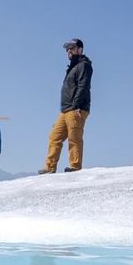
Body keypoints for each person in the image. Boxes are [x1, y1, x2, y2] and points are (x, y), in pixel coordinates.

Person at [38, 38, 93, 174]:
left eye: (72, 48)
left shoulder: (84, 65)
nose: (69, 51)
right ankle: (50, 167)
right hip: (65, 110)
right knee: (54, 136)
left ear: (80, 50)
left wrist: (76, 105)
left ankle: (75, 166)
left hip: (76, 108)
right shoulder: (73, 67)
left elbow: (83, 86)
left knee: (74, 138)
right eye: (67, 49)